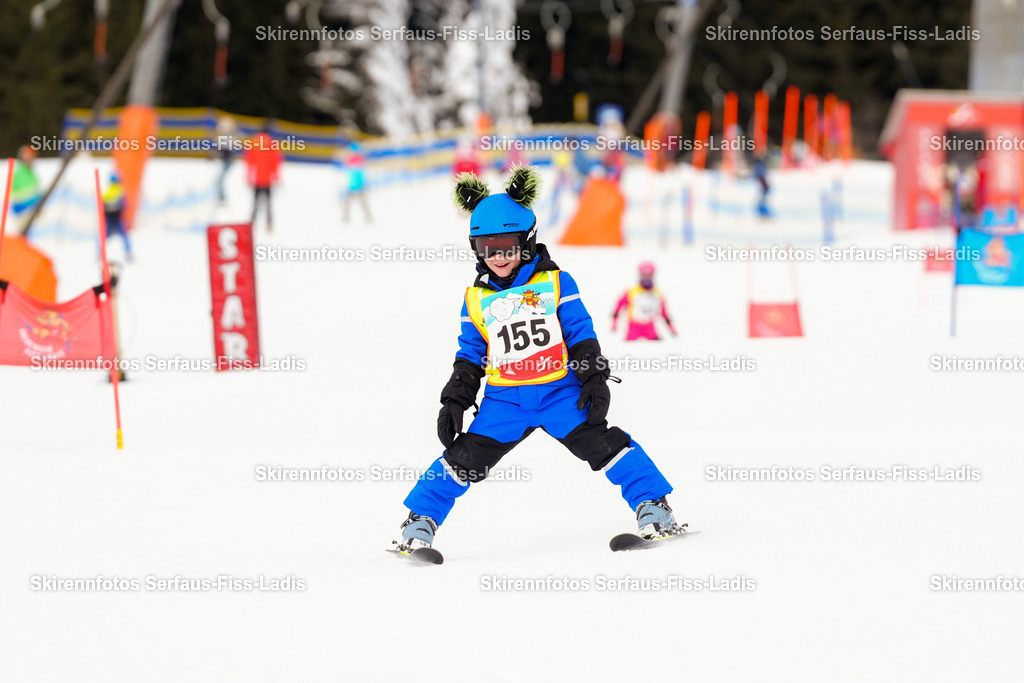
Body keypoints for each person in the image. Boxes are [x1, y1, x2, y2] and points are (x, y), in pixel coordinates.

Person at [394, 166, 683, 554]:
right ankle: (421, 520)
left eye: (507, 246)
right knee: (462, 458)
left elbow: (580, 334)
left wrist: (594, 379)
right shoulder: (476, 298)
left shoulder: (555, 282)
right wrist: (456, 399)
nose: (497, 257)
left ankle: (653, 504)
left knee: (605, 446)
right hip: (505, 401)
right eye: (486, 248)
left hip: (560, 394)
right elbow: (470, 354)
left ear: (527, 242)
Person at [612, 262, 676, 341]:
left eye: (649, 276)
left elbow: (664, 313)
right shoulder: (631, 292)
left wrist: (672, 329)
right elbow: (618, 307)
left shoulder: (657, 294)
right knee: (629, 348)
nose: (646, 278)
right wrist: (614, 324)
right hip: (634, 327)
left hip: (650, 327)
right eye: (644, 275)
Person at [243, 126, 283, 232]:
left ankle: (252, 223)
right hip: (268, 180)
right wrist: (277, 177)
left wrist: (248, 177)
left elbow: (249, 162)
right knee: (268, 203)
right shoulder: (272, 145)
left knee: (255, 202)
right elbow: (276, 163)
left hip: (256, 179)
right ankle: (269, 224)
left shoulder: (253, 144)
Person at [101, 171, 133, 262]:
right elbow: (125, 206)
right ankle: (128, 253)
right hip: (117, 218)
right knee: (125, 236)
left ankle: (100, 254)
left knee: (102, 237)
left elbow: (101, 205)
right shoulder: (120, 191)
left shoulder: (106, 192)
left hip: (110, 218)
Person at [339, 142, 372, 223]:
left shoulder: (359, 160)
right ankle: (345, 217)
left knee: (362, 203)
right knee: (348, 202)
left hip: (359, 186)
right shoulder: (351, 160)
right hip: (352, 186)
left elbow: (353, 165)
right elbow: (345, 163)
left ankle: (368, 216)